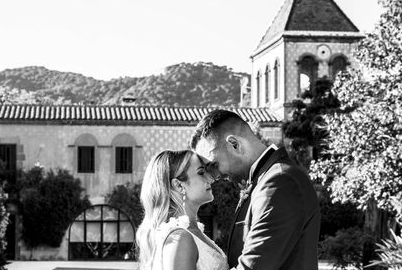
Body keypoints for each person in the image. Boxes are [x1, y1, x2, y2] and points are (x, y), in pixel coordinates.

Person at [190, 110, 320, 270]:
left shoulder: (280, 182)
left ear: (234, 145)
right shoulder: (265, 179)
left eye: (213, 165)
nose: (215, 176)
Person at [136, 149, 228, 270]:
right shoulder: (180, 239)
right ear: (179, 185)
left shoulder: (192, 232)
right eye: (201, 173)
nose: (210, 178)